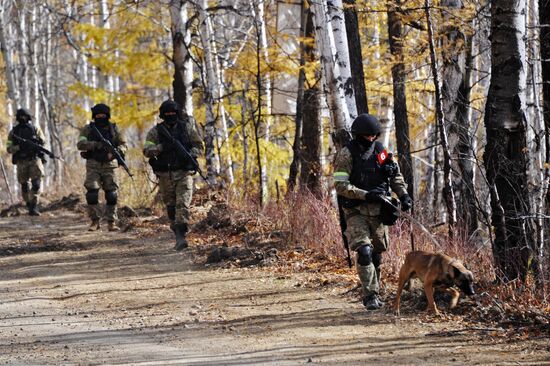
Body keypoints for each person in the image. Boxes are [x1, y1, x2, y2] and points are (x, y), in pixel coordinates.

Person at [333, 113, 413, 310]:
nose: (370, 139)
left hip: (379, 209)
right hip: (355, 209)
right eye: (366, 136)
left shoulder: (381, 151)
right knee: (365, 251)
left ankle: (375, 290)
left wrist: (403, 195)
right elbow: (341, 185)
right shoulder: (345, 154)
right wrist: (366, 195)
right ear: (358, 135)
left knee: (377, 254)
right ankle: (370, 295)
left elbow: (394, 174)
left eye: (373, 136)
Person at [143, 99, 203, 251]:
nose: (170, 115)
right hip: (165, 175)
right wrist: (161, 148)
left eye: (173, 113)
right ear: (163, 115)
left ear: (177, 114)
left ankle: (181, 236)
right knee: (171, 207)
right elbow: (147, 150)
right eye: (167, 113)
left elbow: (199, 146)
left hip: (184, 173)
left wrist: (189, 154)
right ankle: (177, 233)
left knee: (183, 204)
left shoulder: (187, 129)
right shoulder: (156, 131)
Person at [77, 103, 127, 232]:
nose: (100, 117)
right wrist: (96, 145)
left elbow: (124, 145)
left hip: (110, 166)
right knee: (92, 194)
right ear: (94, 116)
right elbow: (80, 144)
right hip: (93, 164)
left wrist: (116, 151)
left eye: (103, 115)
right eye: (98, 115)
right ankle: (95, 221)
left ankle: (111, 222)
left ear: (107, 116)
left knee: (111, 194)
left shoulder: (114, 129)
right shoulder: (88, 129)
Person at [6, 108, 45, 216]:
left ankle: (33, 205)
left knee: (36, 184)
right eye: (21, 117)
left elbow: (43, 142)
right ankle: (29, 203)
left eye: (25, 116)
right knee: (24, 185)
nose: (23, 118)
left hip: (34, 159)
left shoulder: (35, 129)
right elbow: (8, 148)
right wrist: (19, 147)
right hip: (21, 161)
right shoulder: (13, 132)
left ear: (28, 117)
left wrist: (37, 146)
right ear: (18, 118)